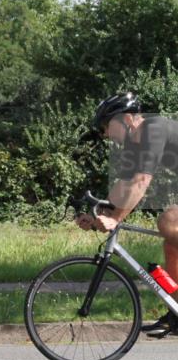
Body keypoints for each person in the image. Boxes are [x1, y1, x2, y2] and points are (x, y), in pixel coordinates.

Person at [75, 92, 178, 336]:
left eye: (107, 126)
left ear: (127, 119)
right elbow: (124, 185)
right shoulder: (134, 144)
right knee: (172, 243)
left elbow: (141, 181)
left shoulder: (154, 129)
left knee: (169, 221)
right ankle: (176, 312)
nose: (106, 134)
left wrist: (116, 218)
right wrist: (99, 213)